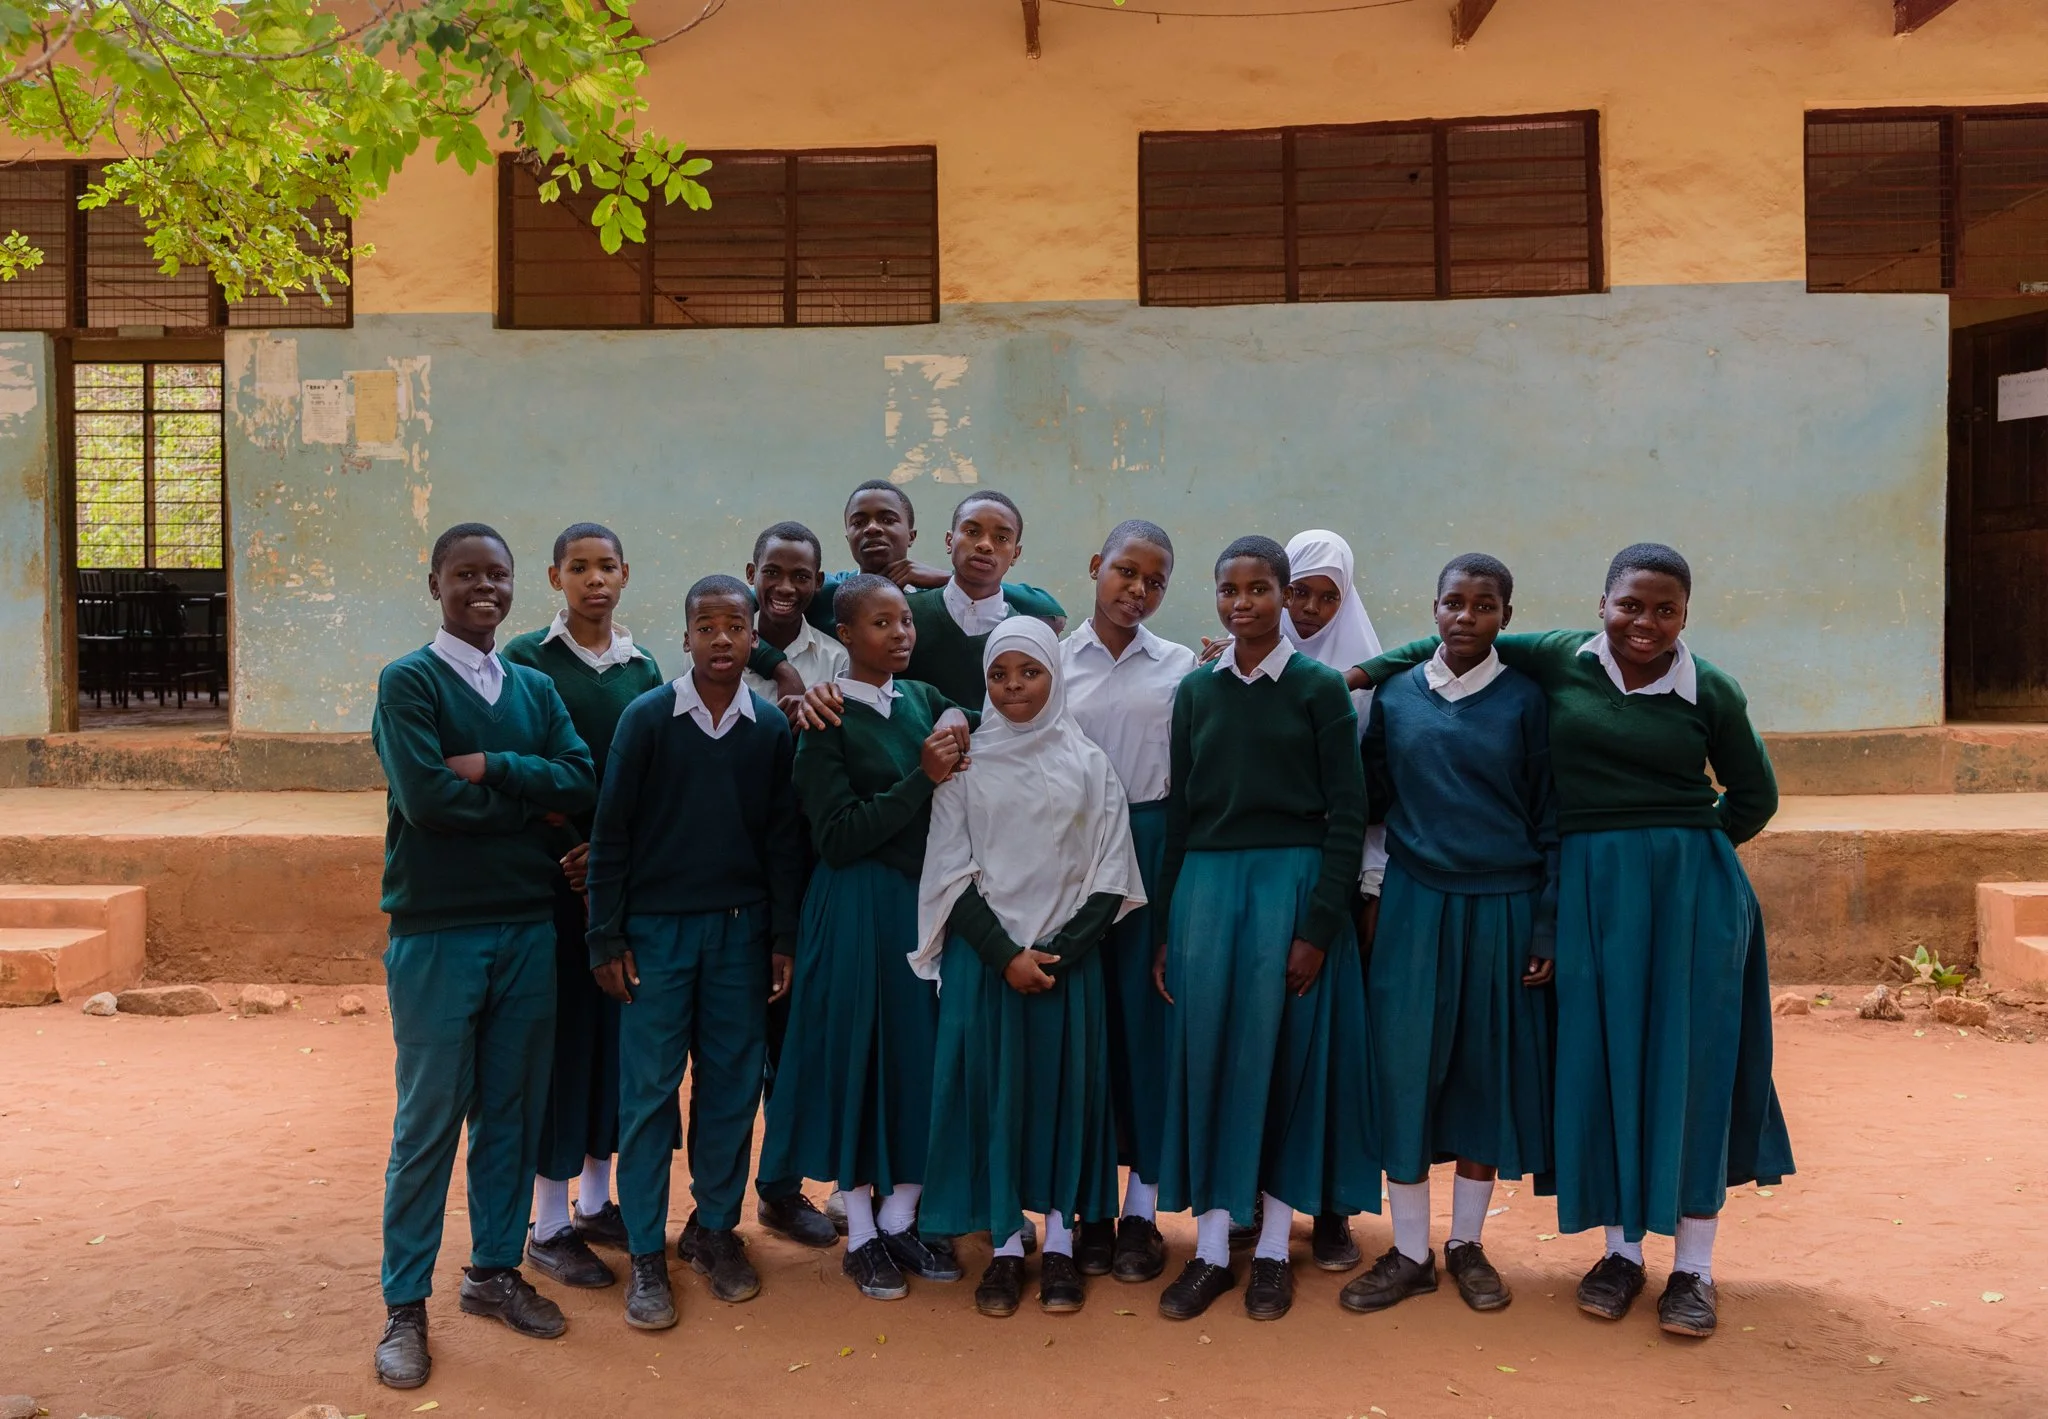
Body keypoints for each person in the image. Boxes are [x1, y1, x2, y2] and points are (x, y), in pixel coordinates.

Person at [1350, 542, 1792, 1338]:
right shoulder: (1560, 659)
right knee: (1604, 1064)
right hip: (1591, 896)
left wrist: (1687, 852)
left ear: (1686, 614)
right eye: (1630, 605)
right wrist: (1359, 671)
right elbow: (1447, 639)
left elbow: (1754, 795)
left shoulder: (1710, 688)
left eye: (1665, 609)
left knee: (1687, 1069)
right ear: (1601, 604)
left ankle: (1692, 1269)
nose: (1645, 623)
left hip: (1686, 899)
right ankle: (1622, 1255)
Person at [368, 522, 597, 1389]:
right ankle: (403, 1308)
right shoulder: (408, 682)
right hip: (437, 930)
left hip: (525, 927)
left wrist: (493, 765)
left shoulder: (533, 688)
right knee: (427, 1123)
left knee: (510, 1112)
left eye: (496, 575)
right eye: (465, 574)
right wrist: (526, 805)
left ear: (514, 587)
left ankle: (495, 1273)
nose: (484, 588)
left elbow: (578, 779)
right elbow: (427, 801)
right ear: (435, 584)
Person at [1151, 535, 1376, 1323]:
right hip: (1208, 894)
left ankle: (1275, 1250)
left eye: (1258, 589)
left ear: (1284, 596)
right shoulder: (1194, 692)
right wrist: (1169, 926)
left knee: (1286, 1065)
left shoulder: (1317, 688)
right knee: (1211, 1061)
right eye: (1228, 589)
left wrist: (1320, 922)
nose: (1242, 603)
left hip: (1293, 888)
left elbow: (1348, 812)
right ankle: (1213, 1250)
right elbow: (1180, 814)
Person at [583, 574, 808, 1330]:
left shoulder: (769, 729)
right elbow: (610, 833)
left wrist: (781, 936)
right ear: (683, 639)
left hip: (739, 932)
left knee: (731, 1087)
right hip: (656, 934)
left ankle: (714, 1228)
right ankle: (647, 1250)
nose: (720, 638)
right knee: (648, 1092)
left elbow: (781, 839)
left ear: (753, 639)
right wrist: (605, 934)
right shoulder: (647, 719)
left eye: (734, 626)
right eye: (705, 626)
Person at [1340, 553, 1557, 1318]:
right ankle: (1408, 1251)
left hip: (1501, 904)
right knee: (1406, 1070)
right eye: (1453, 603)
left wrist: (1544, 921)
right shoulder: (1398, 697)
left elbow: (1547, 814)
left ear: (1505, 613)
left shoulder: (1527, 700)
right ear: (1432, 609)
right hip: (1415, 902)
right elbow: (1369, 797)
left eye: (1484, 605)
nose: (1466, 617)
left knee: (1482, 1073)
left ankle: (1465, 1244)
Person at [756, 573, 977, 1301]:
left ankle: (903, 1211)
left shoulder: (924, 704)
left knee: (919, 1055)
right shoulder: (825, 720)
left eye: (906, 621)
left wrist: (956, 726)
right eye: (882, 623)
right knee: (858, 1059)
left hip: (922, 909)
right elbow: (841, 836)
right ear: (845, 637)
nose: (902, 633)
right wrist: (920, 779)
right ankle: (862, 1228)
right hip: (854, 909)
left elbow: (1001, 713)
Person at [916, 617, 1145, 1317]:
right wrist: (1005, 954)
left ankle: (1063, 1244)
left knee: (1063, 1098)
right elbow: (951, 870)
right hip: (990, 969)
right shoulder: (966, 765)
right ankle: (1008, 1248)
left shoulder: (1088, 762)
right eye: (999, 675)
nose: (1013, 688)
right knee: (996, 1099)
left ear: (1055, 677)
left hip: (1066, 968)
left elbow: (1112, 869)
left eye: (1030, 672)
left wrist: (1058, 950)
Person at [499, 522, 664, 1290]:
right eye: (578, 567)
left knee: (613, 1035)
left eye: (606, 566)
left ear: (626, 575)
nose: (594, 579)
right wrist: (570, 842)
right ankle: (550, 1219)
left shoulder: (644, 669)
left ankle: (599, 1200)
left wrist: (611, 855)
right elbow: (523, 766)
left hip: (618, 882)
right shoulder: (527, 661)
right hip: (554, 880)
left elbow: (650, 780)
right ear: (554, 576)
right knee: (560, 1043)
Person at [1059, 520, 1195, 1284]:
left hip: (1147, 842)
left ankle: (1141, 1211)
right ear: (1095, 566)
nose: (1137, 590)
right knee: (1082, 1031)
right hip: (1069, 852)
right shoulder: (1050, 661)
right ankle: (1090, 1211)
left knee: (1144, 1030)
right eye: (1124, 572)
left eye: (1154, 581)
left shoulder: (1180, 668)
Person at [1276, 527, 1387, 1273]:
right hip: (1258, 878)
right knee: (1268, 1045)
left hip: (1335, 879)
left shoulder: (1371, 684)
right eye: (1299, 592)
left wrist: (1365, 888)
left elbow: (1372, 802)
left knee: (1331, 1051)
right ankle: (1260, 1195)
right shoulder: (1236, 666)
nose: (1311, 609)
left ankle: (1333, 1209)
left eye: (1328, 596)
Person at [739, 520, 848, 1249]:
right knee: (726, 1046)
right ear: (750, 569)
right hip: (720, 866)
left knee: (792, 1033)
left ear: (819, 582)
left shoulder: (835, 655)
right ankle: (709, 1205)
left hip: (799, 866)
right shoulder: (715, 633)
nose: (784, 587)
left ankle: (780, 1186)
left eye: (801, 576)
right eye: (772, 572)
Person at [798, 480, 1064, 636]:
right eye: (859, 522)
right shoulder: (830, 592)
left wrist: (950, 580)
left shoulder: (934, 597)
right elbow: (760, 603)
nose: (873, 528)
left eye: (888, 519)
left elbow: (1053, 613)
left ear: (911, 535)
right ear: (848, 537)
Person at [901, 491, 1068, 707]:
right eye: (972, 531)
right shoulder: (906, 615)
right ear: (949, 540)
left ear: (1016, 554)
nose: (985, 545)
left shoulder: (1024, 637)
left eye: (1001, 538)